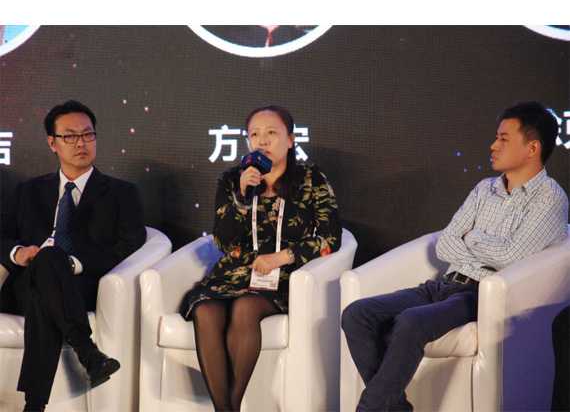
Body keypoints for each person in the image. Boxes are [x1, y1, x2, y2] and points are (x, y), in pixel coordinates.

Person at [342, 101, 568, 412]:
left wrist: (471, 236)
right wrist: (481, 244)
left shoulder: (550, 198)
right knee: (357, 314)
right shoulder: (484, 189)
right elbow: (445, 245)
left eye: (503, 139)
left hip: (480, 295)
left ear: (532, 148)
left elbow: (512, 257)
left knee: (410, 321)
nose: (493, 146)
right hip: (442, 284)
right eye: (496, 137)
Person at [179, 105, 342, 411]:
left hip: (281, 277)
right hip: (233, 275)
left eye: (271, 133)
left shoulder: (310, 179)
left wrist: (283, 257)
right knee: (205, 310)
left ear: (290, 140)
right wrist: (242, 196)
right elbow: (223, 240)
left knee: (245, 308)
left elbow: (331, 237)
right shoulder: (233, 179)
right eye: (254, 134)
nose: (262, 140)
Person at [0, 100, 146, 412]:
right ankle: (88, 352)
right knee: (46, 263)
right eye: (70, 136)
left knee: (50, 267)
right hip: (25, 283)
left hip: (80, 286)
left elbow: (130, 244)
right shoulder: (28, 191)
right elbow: (3, 237)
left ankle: (35, 404)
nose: (81, 143)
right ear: (52, 143)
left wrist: (73, 263)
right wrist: (18, 252)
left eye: (88, 134)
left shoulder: (121, 193)